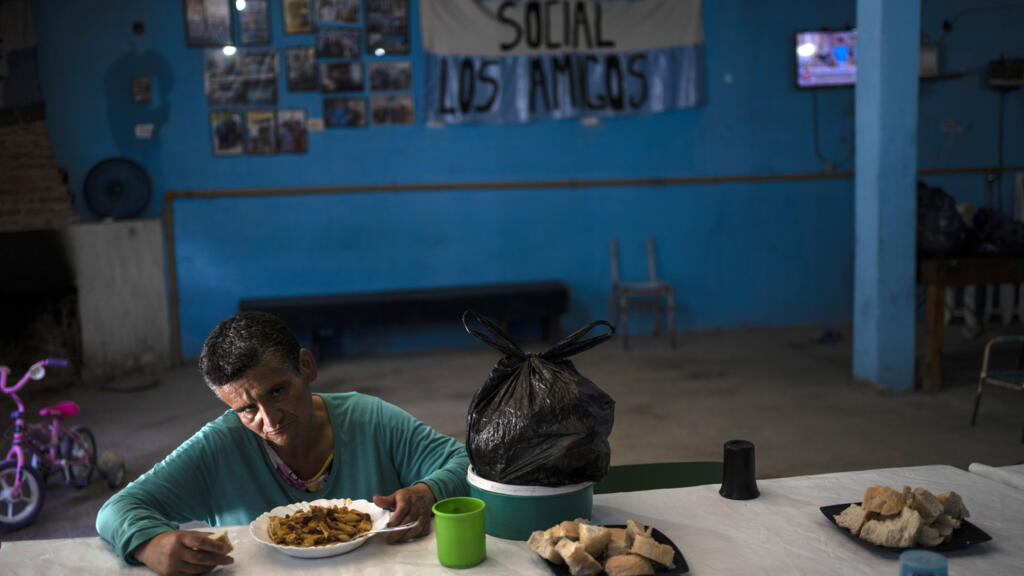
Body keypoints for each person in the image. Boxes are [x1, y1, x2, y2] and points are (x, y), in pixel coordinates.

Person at [96, 311, 469, 575]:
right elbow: (117, 509)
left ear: (306, 366)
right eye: (246, 409)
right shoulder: (219, 448)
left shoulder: (370, 420)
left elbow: (462, 459)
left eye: (278, 391)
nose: (270, 419)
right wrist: (150, 545)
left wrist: (428, 491)